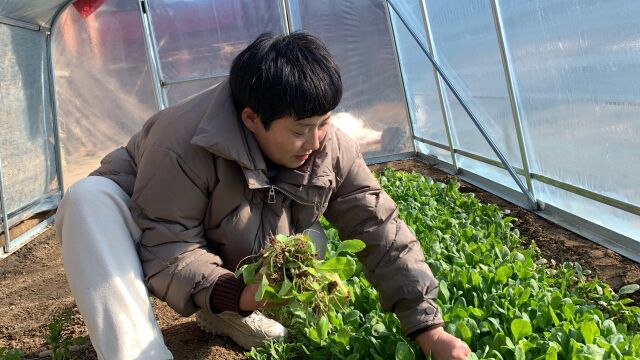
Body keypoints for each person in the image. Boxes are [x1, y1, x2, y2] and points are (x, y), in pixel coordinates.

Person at [55, 32, 471, 360]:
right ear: (251, 118)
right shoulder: (179, 140)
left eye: (325, 122)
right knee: (87, 200)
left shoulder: (331, 145)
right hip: (143, 229)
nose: (316, 140)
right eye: (300, 129)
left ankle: (229, 314)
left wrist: (428, 329)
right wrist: (238, 291)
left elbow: (379, 228)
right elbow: (169, 243)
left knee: (314, 244)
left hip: (230, 236)